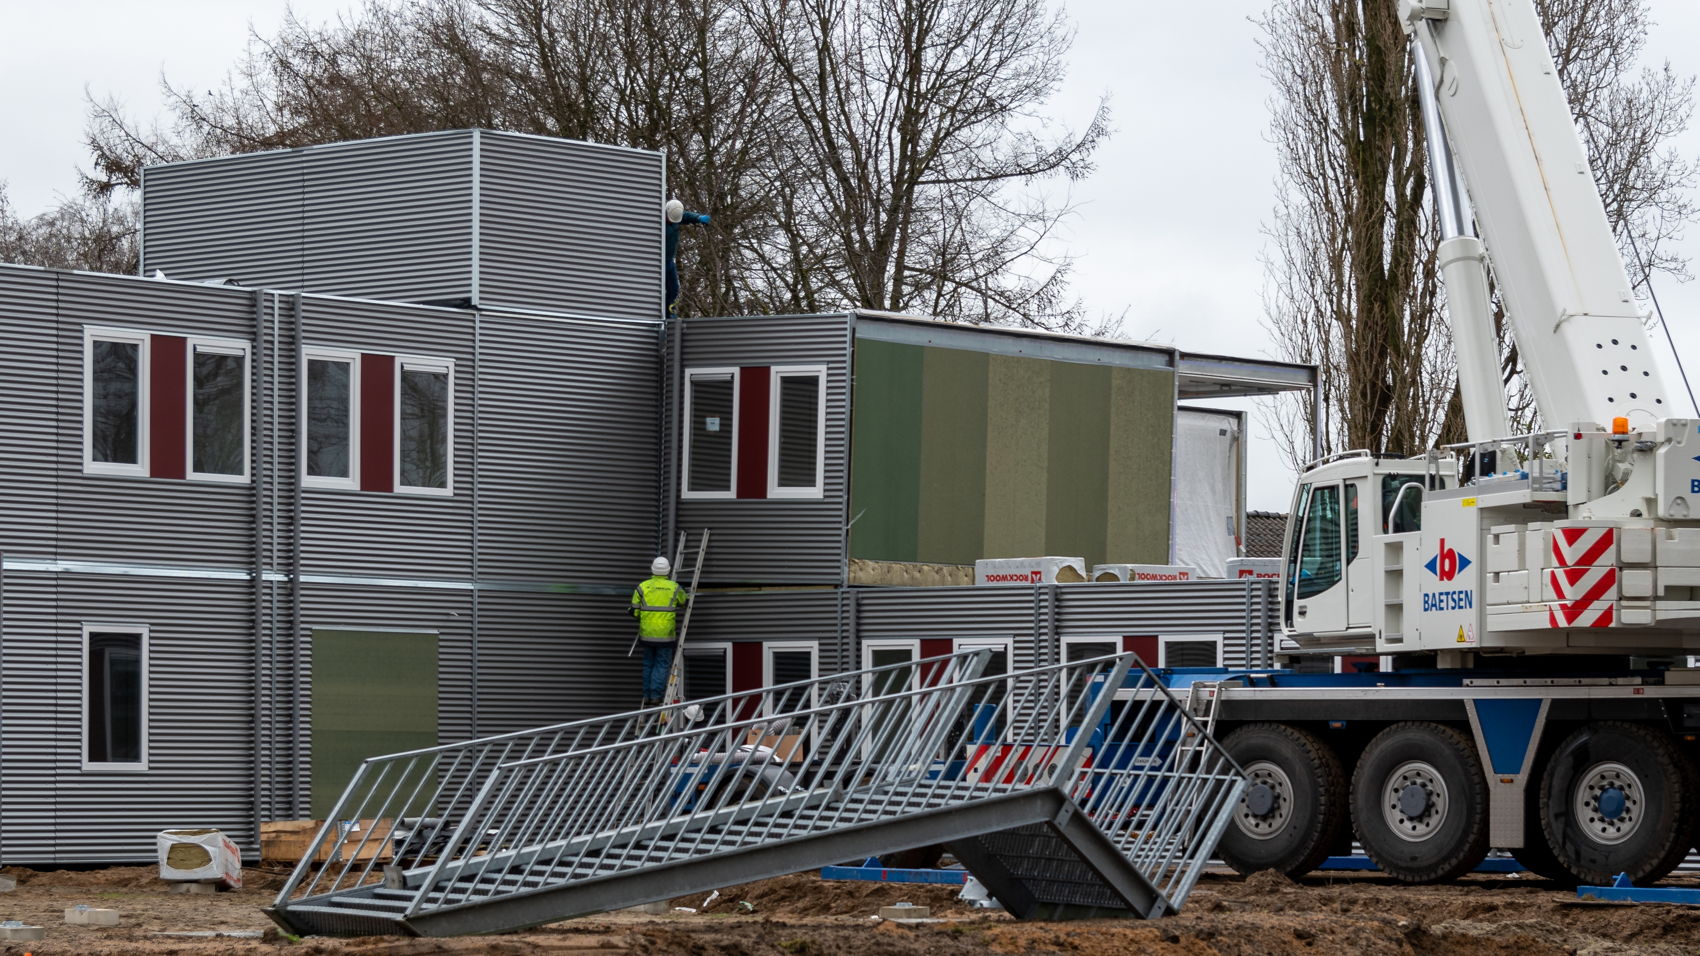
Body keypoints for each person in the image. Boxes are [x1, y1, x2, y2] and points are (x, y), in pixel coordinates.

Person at [631, 556, 689, 706]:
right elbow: (684, 601)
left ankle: (647, 695)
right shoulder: (674, 587)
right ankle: (656, 696)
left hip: (647, 634)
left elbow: (635, 612)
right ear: (668, 570)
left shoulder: (642, 587)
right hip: (666, 634)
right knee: (662, 664)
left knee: (648, 663)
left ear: (652, 569)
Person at [663, 199, 710, 318]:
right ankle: (660, 311)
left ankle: (670, 312)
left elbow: (686, 216)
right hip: (658, 260)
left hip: (669, 260)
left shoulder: (675, 216)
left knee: (674, 288)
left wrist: (698, 218)